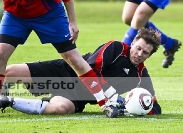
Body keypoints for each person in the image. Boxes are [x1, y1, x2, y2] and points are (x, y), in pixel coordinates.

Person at [0, 0, 117, 117]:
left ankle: (105, 102)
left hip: (50, 16)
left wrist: (73, 23)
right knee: (1, 53)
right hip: (16, 16)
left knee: (73, 58)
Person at [0, 28, 161, 116]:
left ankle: (9, 101)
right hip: (65, 71)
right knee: (10, 72)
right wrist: (112, 94)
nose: (139, 54)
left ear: (150, 55)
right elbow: (90, 70)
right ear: (132, 43)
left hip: (78, 97)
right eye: (138, 48)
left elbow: (154, 107)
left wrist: (129, 107)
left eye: (145, 53)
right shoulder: (117, 48)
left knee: (60, 109)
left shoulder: (141, 76)